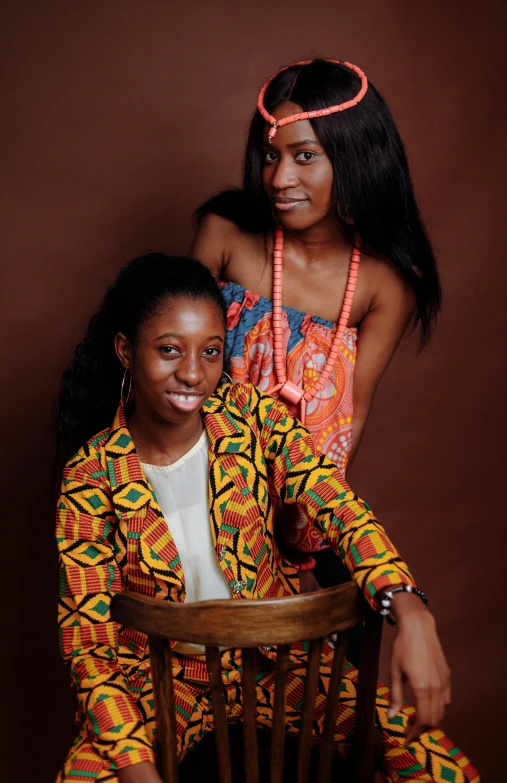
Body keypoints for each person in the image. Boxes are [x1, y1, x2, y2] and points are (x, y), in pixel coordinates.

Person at [55, 253, 478, 783]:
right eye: (169, 350)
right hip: (162, 683)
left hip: (279, 665)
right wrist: (138, 770)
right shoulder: (92, 474)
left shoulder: (254, 417)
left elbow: (336, 503)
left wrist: (407, 608)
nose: (192, 372)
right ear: (125, 350)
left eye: (211, 352)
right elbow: (89, 643)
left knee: (435, 765)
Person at [190, 58, 441, 582]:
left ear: (354, 160)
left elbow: (350, 415)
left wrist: (303, 529)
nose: (280, 179)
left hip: (299, 507)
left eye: (305, 157)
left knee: (318, 643)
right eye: (270, 156)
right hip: (189, 494)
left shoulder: (385, 283)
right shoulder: (224, 234)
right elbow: (168, 363)